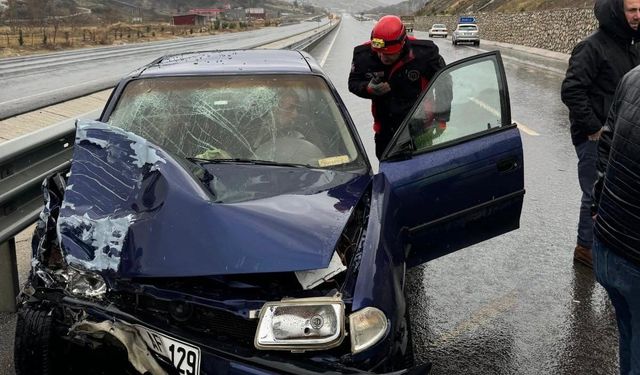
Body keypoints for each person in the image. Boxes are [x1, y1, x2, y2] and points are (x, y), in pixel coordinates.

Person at [560, 0, 640, 268]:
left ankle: (617, 248)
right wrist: (594, 128)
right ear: (618, 11)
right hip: (595, 138)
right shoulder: (592, 46)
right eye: (632, 10)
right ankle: (585, 248)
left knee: (624, 194)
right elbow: (572, 90)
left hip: (626, 140)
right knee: (595, 194)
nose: (638, 16)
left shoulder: (634, 44)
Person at [591, 64, 640, 375]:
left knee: (629, 336)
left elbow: (605, 147)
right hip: (633, 254)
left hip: (609, 245)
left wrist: (599, 208)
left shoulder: (632, 76)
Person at [349, 15, 447, 159]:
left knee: (422, 173)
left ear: (402, 45)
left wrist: (441, 118)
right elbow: (353, 82)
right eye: (380, 53)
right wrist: (368, 89)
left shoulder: (424, 53)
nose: (383, 57)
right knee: (389, 174)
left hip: (419, 129)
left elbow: (443, 82)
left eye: (389, 54)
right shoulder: (363, 55)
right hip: (385, 130)